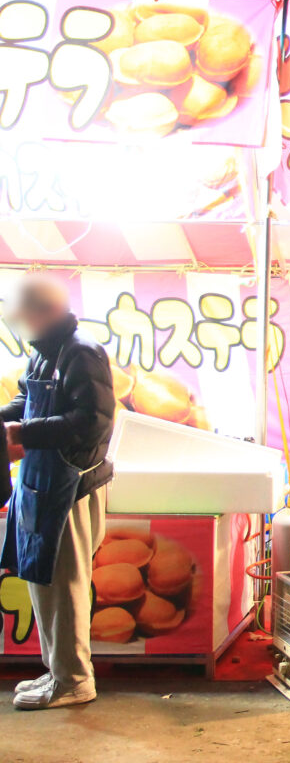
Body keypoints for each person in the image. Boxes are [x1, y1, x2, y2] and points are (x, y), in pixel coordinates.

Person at [1, 275, 115, 710]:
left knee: (65, 587)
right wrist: (6, 420)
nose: (19, 324)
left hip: (71, 488)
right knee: (42, 582)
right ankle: (57, 672)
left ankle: (74, 681)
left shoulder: (82, 353)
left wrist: (22, 432)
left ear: (44, 313)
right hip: (40, 485)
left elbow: (92, 422)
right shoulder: (44, 354)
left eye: (23, 316)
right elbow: (27, 402)